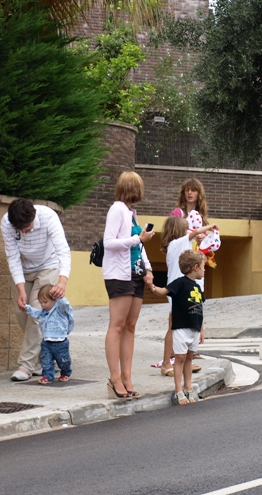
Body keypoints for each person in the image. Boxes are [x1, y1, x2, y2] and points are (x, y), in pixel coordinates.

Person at [1, 198, 71, 382]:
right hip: (23, 270)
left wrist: (62, 281)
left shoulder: (48, 217)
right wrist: (21, 288)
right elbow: (13, 256)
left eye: (28, 227)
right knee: (22, 311)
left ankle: (26, 365)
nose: (24, 232)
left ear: (33, 216)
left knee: (36, 311)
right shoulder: (7, 223)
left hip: (47, 265)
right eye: (20, 229)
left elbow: (63, 250)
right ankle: (47, 358)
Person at [102, 171, 154, 399]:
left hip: (135, 273)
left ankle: (127, 377)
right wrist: (138, 239)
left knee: (130, 326)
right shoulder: (117, 210)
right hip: (119, 275)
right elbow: (109, 243)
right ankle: (114, 379)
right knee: (118, 325)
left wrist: (149, 269)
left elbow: (138, 249)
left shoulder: (132, 213)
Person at [157, 215, 218, 377]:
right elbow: (195, 231)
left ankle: (177, 360)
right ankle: (166, 363)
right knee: (173, 327)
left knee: (177, 327)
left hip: (179, 291)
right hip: (178, 292)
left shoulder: (176, 246)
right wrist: (210, 227)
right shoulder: (177, 243)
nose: (188, 231)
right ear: (178, 231)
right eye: (185, 228)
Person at [151, 250, 206, 405]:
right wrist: (154, 288)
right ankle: (178, 390)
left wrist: (201, 330)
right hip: (181, 327)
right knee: (180, 357)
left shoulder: (197, 288)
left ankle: (188, 387)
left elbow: (200, 308)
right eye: (203, 266)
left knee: (189, 357)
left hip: (194, 328)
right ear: (195, 267)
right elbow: (165, 291)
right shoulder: (180, 283)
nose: (204, 269)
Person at [24, 284, 74, 385]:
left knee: (63, 361)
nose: (43, 305)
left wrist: (59, 296)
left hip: (60, 342)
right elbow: (36, 314)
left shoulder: (60, 309)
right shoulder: (43, 312)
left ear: (54, 300)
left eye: (45, 302)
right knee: (46, 361)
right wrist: (27, 308)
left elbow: (66, 305)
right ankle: (47, 376)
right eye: (41, 302)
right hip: (46, 341)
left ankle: (65, 372)